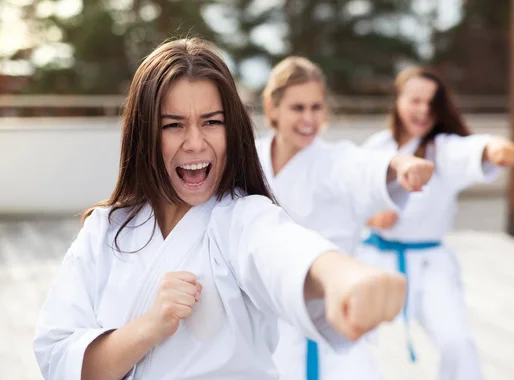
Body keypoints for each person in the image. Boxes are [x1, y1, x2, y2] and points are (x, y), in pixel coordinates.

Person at [32, 38, 410, 380]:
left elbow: (285, 248)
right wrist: (150, 326)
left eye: (212, 122)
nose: (196, 143)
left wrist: (344, 277)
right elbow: (60, 358)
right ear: (143, 133)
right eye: (173, 125)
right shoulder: (105, 230)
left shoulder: (243, 218)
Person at [257, 57, 435, 380]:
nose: (309, 118)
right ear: (272, 107)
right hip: (266, 322)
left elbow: (363, 166)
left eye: (317, 107)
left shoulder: (335, 160)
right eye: (298, 108)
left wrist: (398, 166)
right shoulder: (250, 159)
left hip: (331, 320)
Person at [359, 66, 514, 380]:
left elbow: (474, 149)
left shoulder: (442, 148)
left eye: (432, 103)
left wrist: (495, 149)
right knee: (354, 343)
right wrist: (371, 217)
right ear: (398, 100)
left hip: (430, 263)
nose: (423, 110)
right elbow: (347, 195)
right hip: (373, 260)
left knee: (456, 342)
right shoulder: (376, 147)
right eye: (416, 100)